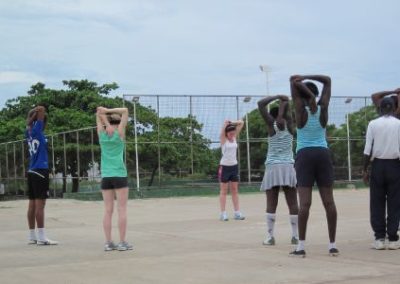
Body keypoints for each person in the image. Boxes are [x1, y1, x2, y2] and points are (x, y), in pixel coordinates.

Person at [289, 74, 339, 257]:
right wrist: (308, 77)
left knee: (305, 204)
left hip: (304, 156)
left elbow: (293, 82)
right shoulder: (323, 107)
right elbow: (327, 80)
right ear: (317, 94)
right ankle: (332, 245)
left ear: (300, 96)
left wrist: (299, 82)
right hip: (322, 154)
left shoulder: (299, 111)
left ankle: (301, 247)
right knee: (329, 201)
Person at [258, 95, 299, 246]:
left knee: (271, 202)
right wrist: (284, 104)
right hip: (288, 166)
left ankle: (270, 237)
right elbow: (287, 107)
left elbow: (260, 104)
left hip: (273, 167)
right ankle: (295, 236)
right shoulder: (291, 127)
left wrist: (276, 97)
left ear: (272, 116)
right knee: (293, 203)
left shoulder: (271, 125)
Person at [362, 97, 400, 250]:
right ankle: (392, 238)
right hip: (395, 165)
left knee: (376, 202)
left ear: (381, 108)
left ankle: (379, 238)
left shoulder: (373, 124)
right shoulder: (399, 124)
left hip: (377, 165)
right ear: (392, 108)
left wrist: (365, 169)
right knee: (395, 202)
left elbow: (367, 149)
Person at [96, 106, 132, 251]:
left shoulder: (102, 135)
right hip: (119, 174)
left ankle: (108, 242)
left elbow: (97, 113)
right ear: (119, 123)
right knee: (121, 209)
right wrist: (108, 110)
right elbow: (125, 110)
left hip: (106, 176)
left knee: (107, 210)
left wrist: (105, 118)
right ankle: (122, 242)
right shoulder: (120, 133)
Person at [26, 106, 58, 245]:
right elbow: (42, 109)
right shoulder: (37, 130)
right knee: (41, 205)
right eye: (43, 121)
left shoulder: (28, 131)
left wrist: (30, 117)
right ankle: (42, 237)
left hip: (32, 170)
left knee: (32, 205)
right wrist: (37, 112)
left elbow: (32, 118)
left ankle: (32, 236)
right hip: (40, 170)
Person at [218, 119, 245, 221]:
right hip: (224, 167)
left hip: (234, 167)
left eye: (233, 133)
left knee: (234, 190)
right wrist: (225, 124)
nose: (232, 134)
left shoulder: (234, 138)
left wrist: (232, 122)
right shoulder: (223, 139)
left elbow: (241, 122)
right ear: (226, 133)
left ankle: (237, 213)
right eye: (230, 133)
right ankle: (223, 213)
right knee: (224, 191)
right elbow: (222, 132)